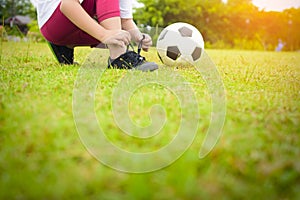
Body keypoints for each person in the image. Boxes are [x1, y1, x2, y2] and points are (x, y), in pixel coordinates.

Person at [31, 0, 158, 71]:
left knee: (119, 33)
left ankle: (66, 46)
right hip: (55, 22)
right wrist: (104, 35)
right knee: (113, 36)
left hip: (72, 28)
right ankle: (119, 56)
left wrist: (137, 36)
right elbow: (68, 4)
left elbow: (125, 21)